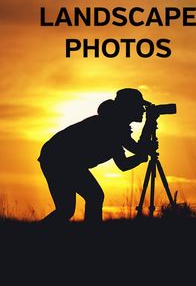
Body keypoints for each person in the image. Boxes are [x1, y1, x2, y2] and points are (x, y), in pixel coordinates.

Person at [38, 88, 157, 224]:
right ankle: (93, 235)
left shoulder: (115, 123)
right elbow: (130, 158)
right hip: (59, 158)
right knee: (92, 197)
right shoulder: (113, 126)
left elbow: (132, 155)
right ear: (129, 108)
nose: (143, 110)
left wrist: (147, 134)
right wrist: (148, 127)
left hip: (56, 157)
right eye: (139, 106)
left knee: (66, 209)